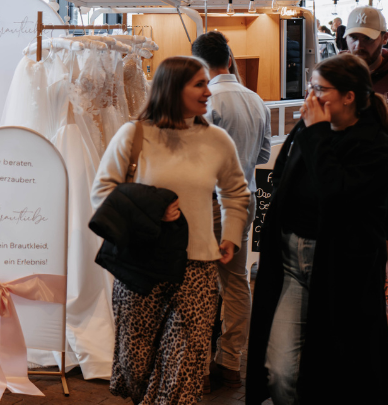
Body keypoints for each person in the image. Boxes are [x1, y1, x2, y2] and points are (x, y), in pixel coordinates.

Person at [93, 56, 250, 405]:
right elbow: (102, 192)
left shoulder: (217, 140)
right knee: (136, 364)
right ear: (173, 88)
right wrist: (152, 210)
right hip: (141, 263)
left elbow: (235, 192)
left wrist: (230, 235)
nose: (208, 91)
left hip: (198, 266)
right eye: (200, 84)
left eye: (207, 83)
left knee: (184, 365)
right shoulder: (134, 135)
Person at [247, 54, 388, 405]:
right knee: (279, 371)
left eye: (319, 89)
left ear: (349, 97)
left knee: (334, 372)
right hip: (291, 264)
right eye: (311, 87)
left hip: (343, 271)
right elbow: (281, 176)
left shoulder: (374, 143)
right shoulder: (307, 130)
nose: (311, 96)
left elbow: (334, 194)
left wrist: (317, 134)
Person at [191, 31, 271, 386]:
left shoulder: (208, 102)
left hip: (212, 201)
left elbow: (197, 159)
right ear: (228, 57)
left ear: (199, 63)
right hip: (246, 198)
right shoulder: (256, 100)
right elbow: (264, 155)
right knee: (237, 282)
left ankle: (200, 366)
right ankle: (231, 362)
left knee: (203, 283)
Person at [344, 5, 388, 98]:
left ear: (385, 38)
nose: (358, 46)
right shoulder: (331, 73)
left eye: (368, 38)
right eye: (353, 37)